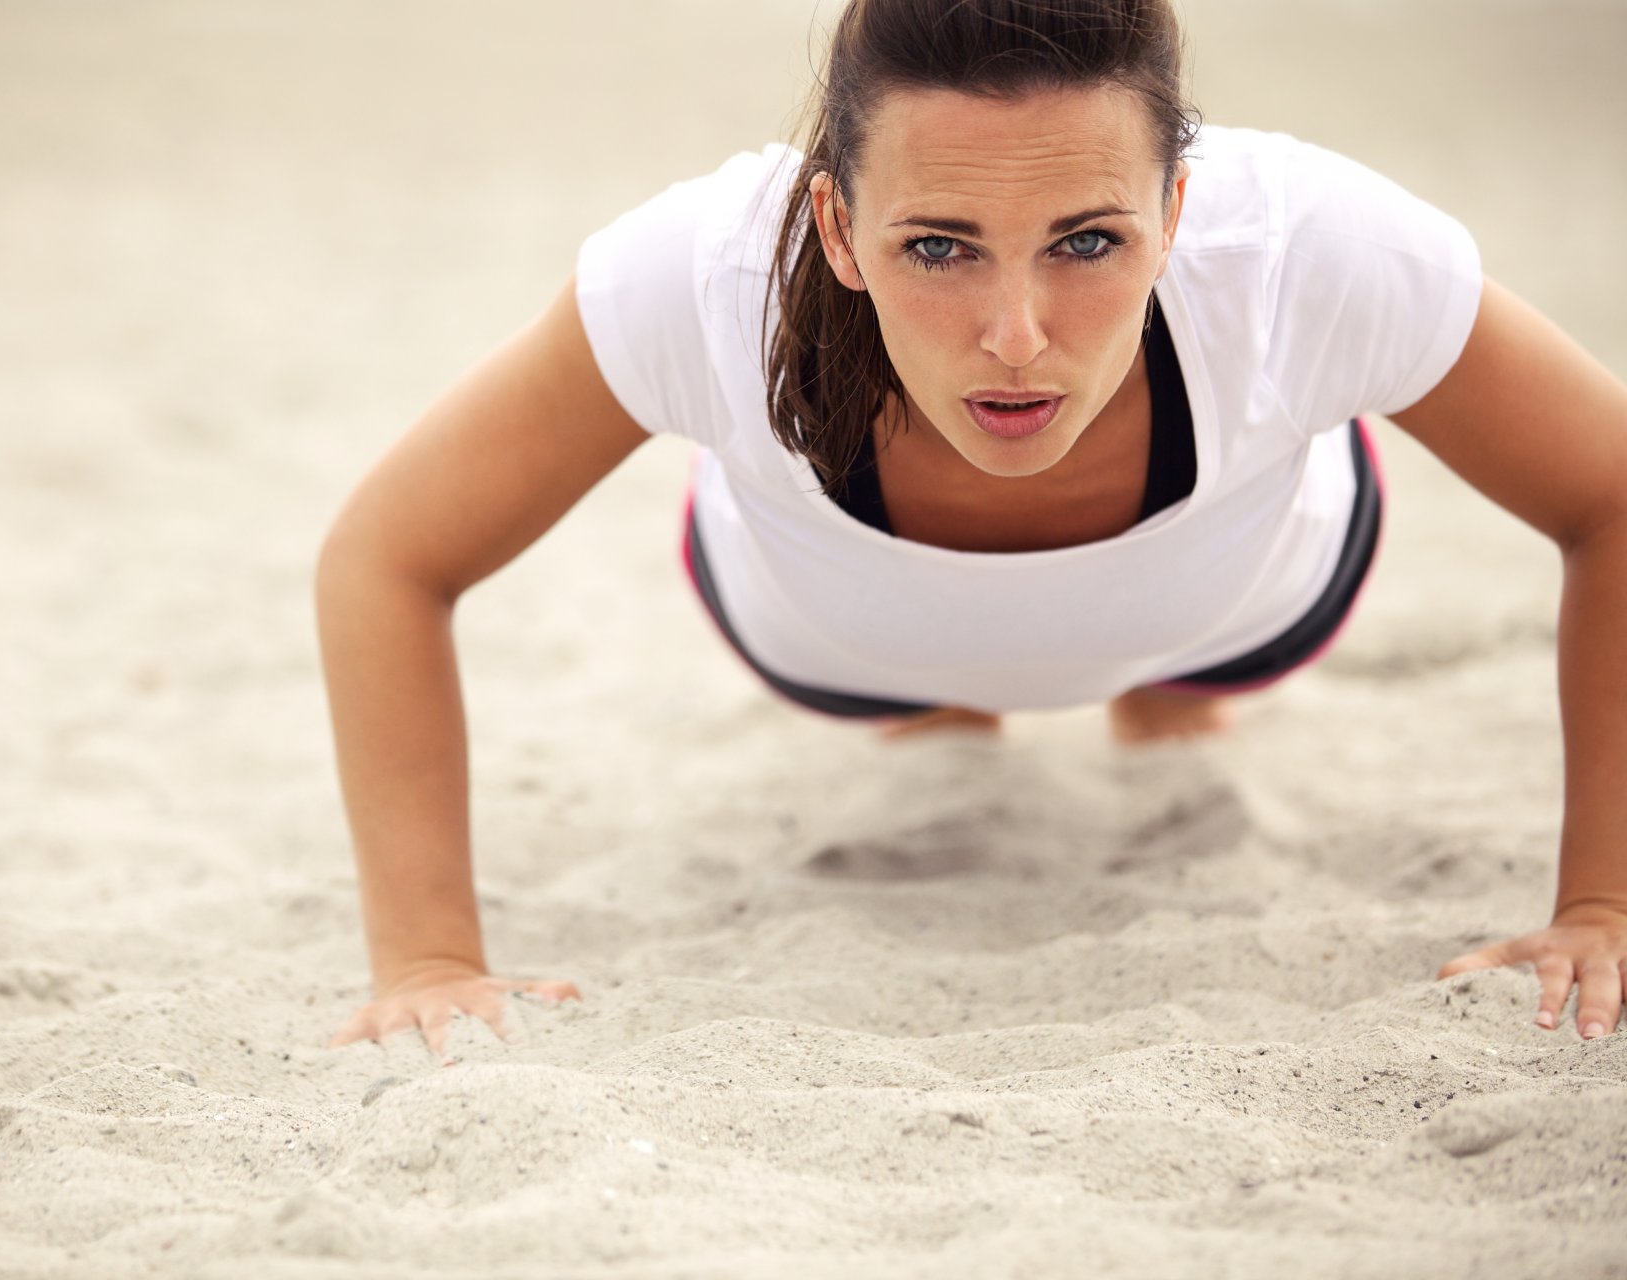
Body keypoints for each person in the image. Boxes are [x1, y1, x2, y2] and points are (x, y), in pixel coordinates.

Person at [315, 0, 1627, 1062]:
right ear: (834, 226)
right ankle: (949, 696)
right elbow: (388, 559)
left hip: (1238, 605)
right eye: (940, 248)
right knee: (931, 706)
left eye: (1089, 241)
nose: (1018, 334)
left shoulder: (1306, 253)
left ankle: (1165, 691)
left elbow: (1609, 493)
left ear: (1178, 212)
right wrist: (429, 959)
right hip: (839, 635)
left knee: (1180, 690)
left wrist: (1601, 906)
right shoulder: (700, 277)